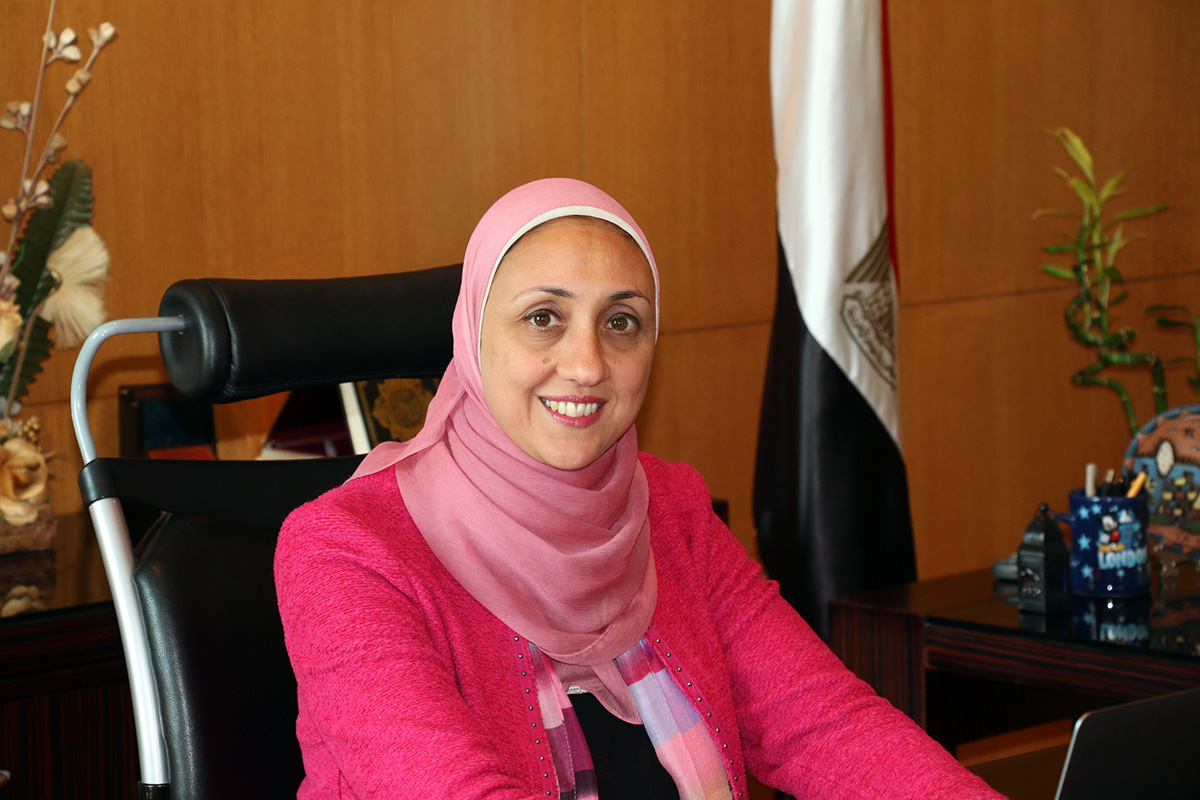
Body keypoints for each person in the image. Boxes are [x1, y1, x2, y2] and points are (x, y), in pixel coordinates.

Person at [275, 178, 1005, 799]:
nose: (588, 364)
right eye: (543, 318)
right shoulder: (346, 550)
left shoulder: (672, 512)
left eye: (621, 322)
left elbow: (829, 727)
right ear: (472, 334)